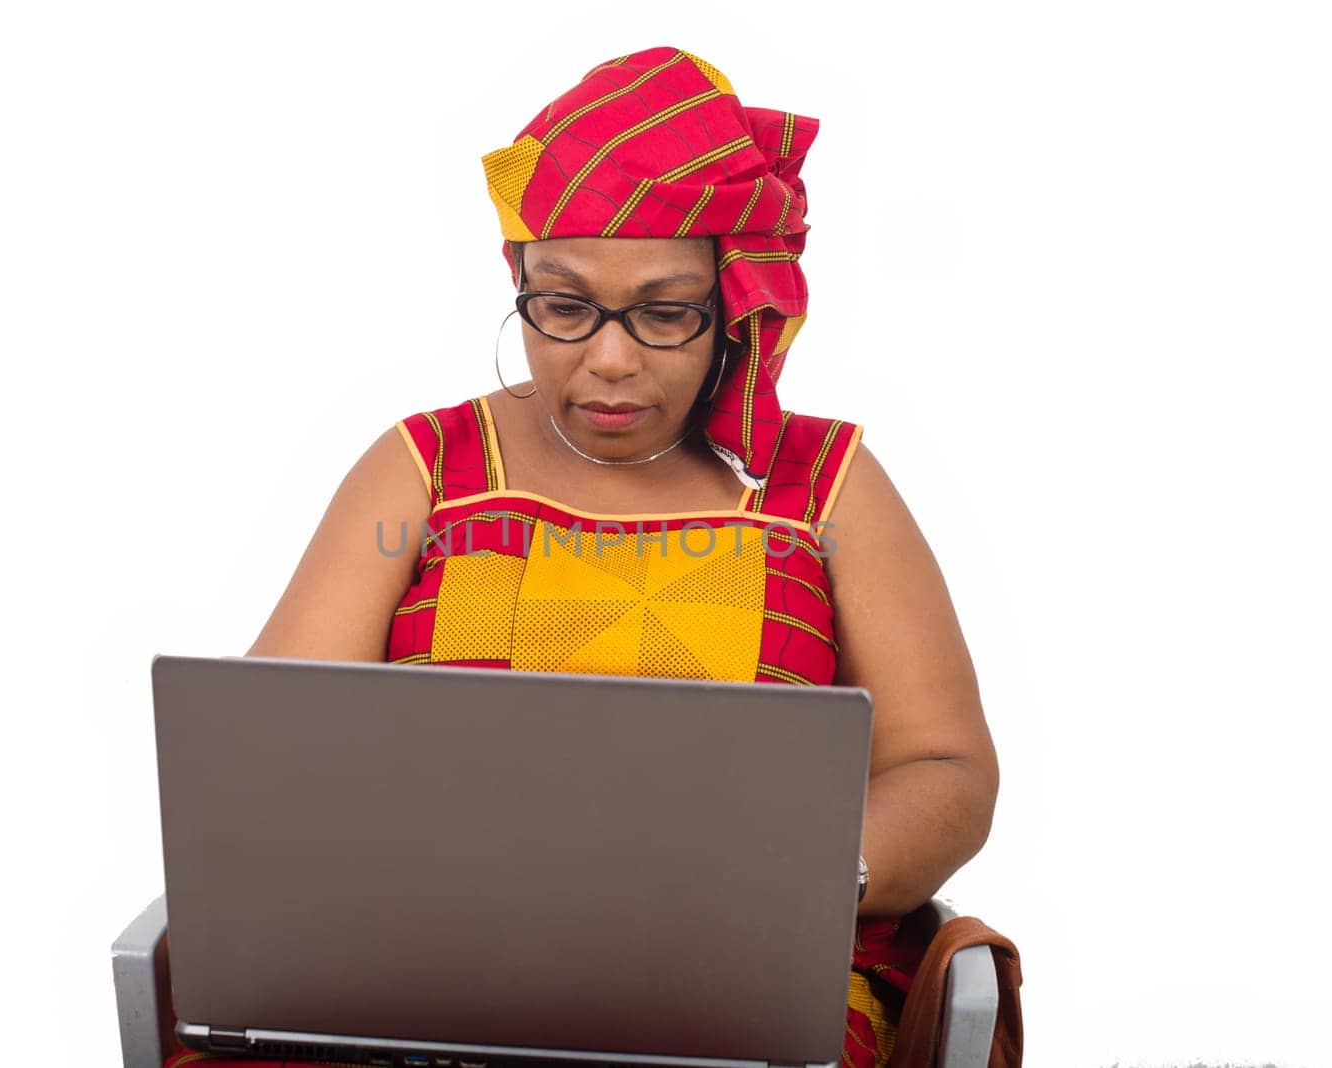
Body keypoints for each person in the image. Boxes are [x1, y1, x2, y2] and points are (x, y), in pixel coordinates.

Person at [170, 45, 999, 1068]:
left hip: (737, 990)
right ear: (515, 279)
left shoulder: (827, 484)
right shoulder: (425, 468)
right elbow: (268, 754)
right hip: (425, 977)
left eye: (663, 312)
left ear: (734, 304)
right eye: (562, 307)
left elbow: (945, 769)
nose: (608, 359)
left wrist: (809, 874)